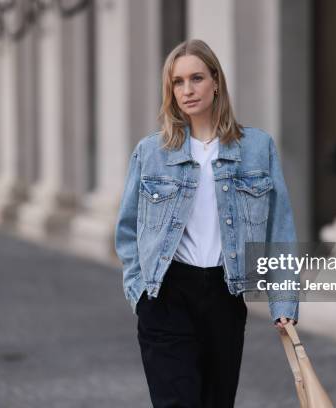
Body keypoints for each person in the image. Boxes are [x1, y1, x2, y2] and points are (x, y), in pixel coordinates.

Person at [114, 39, 299, 408]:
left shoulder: (257, 148)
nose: (187, 90)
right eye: (177, 82)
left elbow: (280, 229)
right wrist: (140, 294)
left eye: (196, 78)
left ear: (216, 81)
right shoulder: (151, 152)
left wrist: (284, 302)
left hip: (224, 296)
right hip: (166, 295)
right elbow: (127, 230)